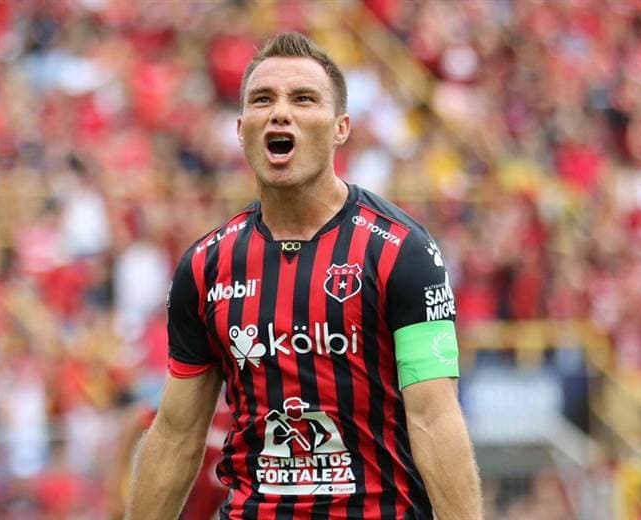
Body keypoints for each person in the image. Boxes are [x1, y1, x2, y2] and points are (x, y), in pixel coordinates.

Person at [127, 32, 482, 519]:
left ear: (341, 128)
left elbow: (434, 419)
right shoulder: (207, 265)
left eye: (303, 99)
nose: (280, 112)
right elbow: (175, 434)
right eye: (262, 99)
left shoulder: (402, 252)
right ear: (241, 129)